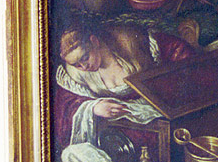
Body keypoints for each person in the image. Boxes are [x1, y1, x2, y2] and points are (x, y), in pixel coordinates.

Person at [54, 24, 195, 148]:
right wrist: (94, 107)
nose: (84, 67)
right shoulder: (74, 74)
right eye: (76, 65)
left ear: (94, 41)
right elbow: (65, 107)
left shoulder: (130, 43)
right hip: (116, 123)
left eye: (85, 58)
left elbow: (179, 53)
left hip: (151, 112)